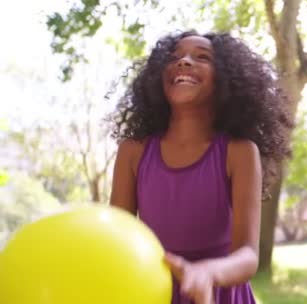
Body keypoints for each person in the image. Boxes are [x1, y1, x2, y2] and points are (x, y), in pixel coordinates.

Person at [109, 30, 292, 304]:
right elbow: (116, 240)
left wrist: (206, 273)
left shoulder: (239, 152)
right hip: (154, 292)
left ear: (225, 80)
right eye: (175, 57)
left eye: (202, 57)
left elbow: (248, 256)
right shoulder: (133, 151)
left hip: (221, 292)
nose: (184, 61)